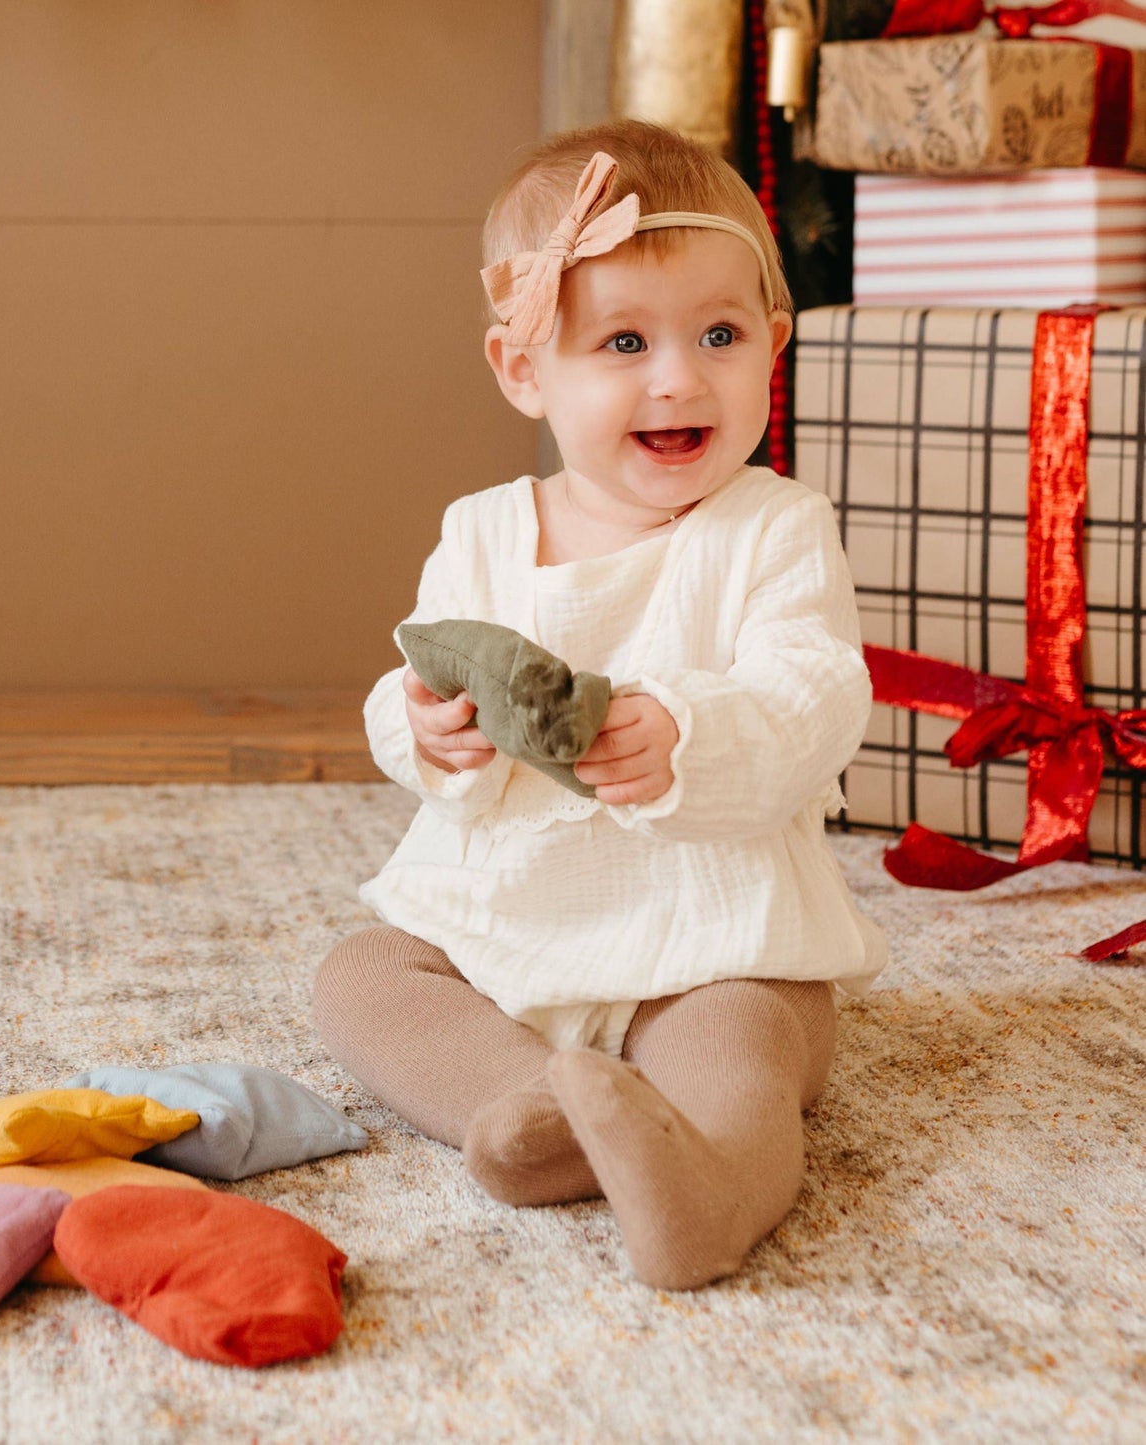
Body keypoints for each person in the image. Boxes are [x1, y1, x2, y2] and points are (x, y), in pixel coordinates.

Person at [313, 119, 886, 1291]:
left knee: (742, 1044)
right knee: (359, 976)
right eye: (622, 340)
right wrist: (423, 729)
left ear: (770, 347)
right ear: (523, 369)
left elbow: (816, 691)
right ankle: (529, 1111)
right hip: (507, 925)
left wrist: (688, 732)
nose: (678, 376)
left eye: (718, 335)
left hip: (714, 934)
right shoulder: (480, 533)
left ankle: (711, 1185)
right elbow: (416, 682)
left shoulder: (770, 528)